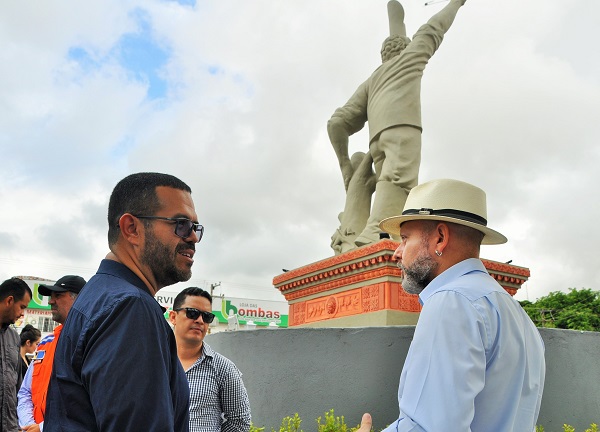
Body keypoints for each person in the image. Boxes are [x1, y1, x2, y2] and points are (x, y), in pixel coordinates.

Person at [354, 179, 546, 431]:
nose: (397, 253)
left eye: (405, 238)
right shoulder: (514, 311)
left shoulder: (451, 301)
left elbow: (431, 426)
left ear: (440, 238)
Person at [44, 172, 204, 432]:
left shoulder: (103, 295)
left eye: (196, 228)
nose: (193, 238)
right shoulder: (129, 307)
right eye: (181, 224)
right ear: (132, 228)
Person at [328, 0, 467, 249]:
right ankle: (375, 235)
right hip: (403, 131)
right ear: (406, 49)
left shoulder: (372, 80)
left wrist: (345, 166)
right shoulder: (411, 58)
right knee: (397, 182)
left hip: (376, 142)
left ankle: (370, 234)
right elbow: (434, 27)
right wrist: (456, 3)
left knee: (388, 183)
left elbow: (337, 123)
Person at [170, 287, 251, 432]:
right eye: (192, 313)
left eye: (206, 316)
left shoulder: (223, 368)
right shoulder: (154, 362)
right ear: (173, 317)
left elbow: (240, 421)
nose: (200, 320)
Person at [17, 275, 86, 432]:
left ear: (80, 299)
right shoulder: (45, 344)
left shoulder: (89, 344)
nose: (50, 301)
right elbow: (25, 393)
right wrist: (30, 425)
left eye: (58, 295)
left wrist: (42, 428)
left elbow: (87, 405)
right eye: (51, 296)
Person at [0, 277, 32, 431]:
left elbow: (17, 386)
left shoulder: (14, 338)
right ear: (9, 301)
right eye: (22, 307)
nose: (22, 314)